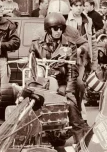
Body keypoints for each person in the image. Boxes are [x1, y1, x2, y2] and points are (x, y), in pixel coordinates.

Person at [30, 12, 90, 143]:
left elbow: (72, 71)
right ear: (48, 29)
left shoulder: (70, 45)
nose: (58, 31)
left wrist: (69, 92)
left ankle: (80, 141)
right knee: (29, 102)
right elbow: (32, 66)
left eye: (61, 28)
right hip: (43, 81)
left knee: (70, 104)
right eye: (55, 28)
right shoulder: (37, 44)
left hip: (62, 80)